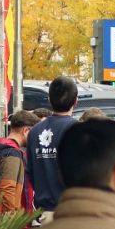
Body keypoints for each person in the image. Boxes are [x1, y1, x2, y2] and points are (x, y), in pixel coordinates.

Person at [26, 75, 80, 213]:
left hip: (44, 212)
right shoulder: (80, 131)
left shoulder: (34, 132)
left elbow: (30, 172)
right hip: (72, 211)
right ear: (76, 101)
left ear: (49, 99)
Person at [0, 110, 37, 213]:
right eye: (35, 133)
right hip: (5, 217)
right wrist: (10, 219)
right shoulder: (12, 153)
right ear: (26, 130)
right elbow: (8, 190)